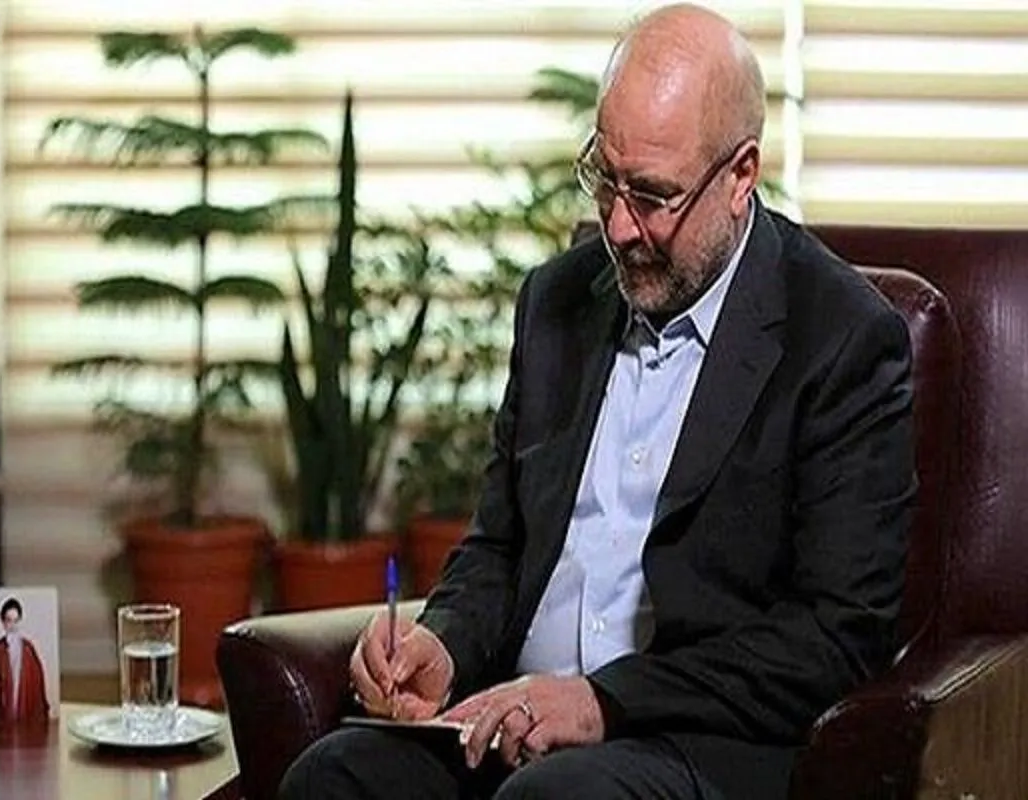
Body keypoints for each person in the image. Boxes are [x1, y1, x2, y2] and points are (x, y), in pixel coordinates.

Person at [279, 3, 915, 799]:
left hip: (691, 741)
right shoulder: (554, 303)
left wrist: (603, 701)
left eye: (651, 195)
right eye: (604, 178)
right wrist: (443, 643)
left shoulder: (843, 340)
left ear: (741, 175)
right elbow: (500, 546)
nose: (616, 226)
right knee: (333, 777)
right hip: (510, 727)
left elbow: (834, 637)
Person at [0, 597, 51, 723]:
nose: (13, 626)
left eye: (16, 621)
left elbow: (38, 684)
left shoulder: (29, 649)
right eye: (9, 621)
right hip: (3, 714)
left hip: (24, 708)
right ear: (3, 622)